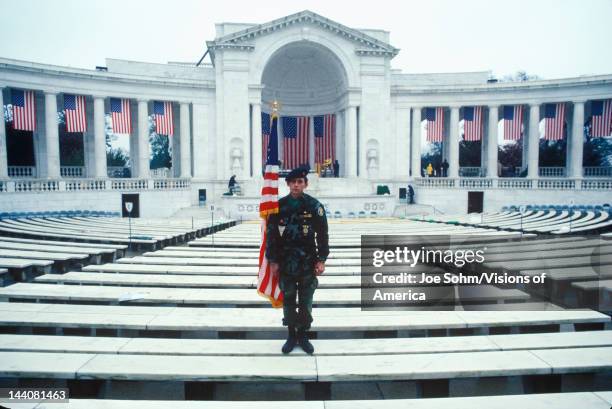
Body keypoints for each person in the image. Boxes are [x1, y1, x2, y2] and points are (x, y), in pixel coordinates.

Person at [266, 167, 329, 355]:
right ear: (287, 184)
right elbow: (272, 236)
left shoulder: (314, 206)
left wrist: (322, 259)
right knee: (288, 300)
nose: (296, 185)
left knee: (306, 300)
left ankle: (303, 334)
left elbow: (323, 235)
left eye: (300, 182)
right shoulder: (278, 207)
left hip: (307, 263)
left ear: (305, 184)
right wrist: (273, 260)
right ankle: (291, 334)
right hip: (286, 263)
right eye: (293, 182)